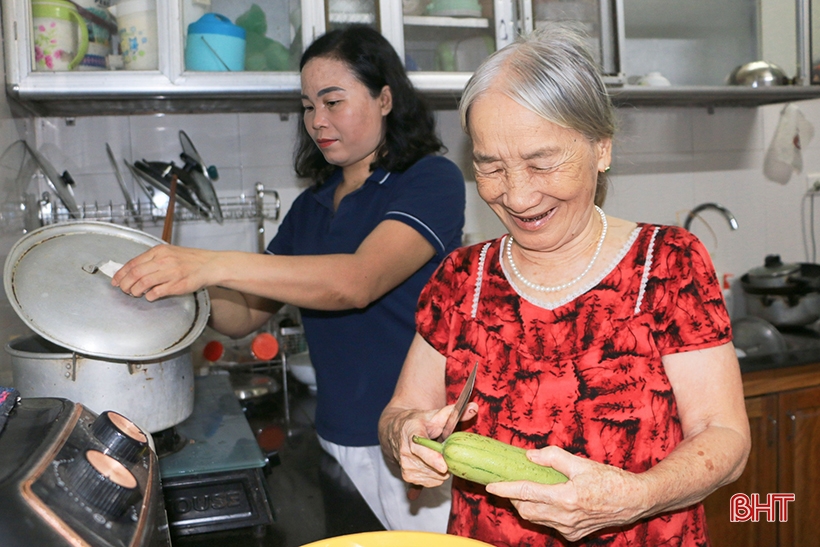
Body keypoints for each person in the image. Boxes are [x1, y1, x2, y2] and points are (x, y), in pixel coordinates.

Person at [378, 24, 751, 546]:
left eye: (541, 162)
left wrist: (637, 497)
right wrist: (403, 438)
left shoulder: (667, 264)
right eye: (491, 168)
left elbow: (725, 437)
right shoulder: (461, 280)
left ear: (601, 148)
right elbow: (399, 412)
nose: (518, 195)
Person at [112, 25, 465, 532]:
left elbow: (357, 281)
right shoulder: (312, 205)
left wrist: (209, 263)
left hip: (417, 442)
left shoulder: (430, 181)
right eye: (307, 106)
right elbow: (241, 317)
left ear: (385, 98)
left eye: (333, 101)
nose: (317, 121)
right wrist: (176, 288)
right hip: (336, 435)